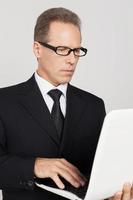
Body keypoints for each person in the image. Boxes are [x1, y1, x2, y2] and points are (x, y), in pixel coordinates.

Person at [0, 7, 132, 200]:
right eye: (62, 50)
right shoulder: (4, 101)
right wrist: (35, 166)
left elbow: (99, 172)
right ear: (37, 49)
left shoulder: (94, 106)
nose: (72, 60)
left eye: (77, 51)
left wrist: (114, 193)